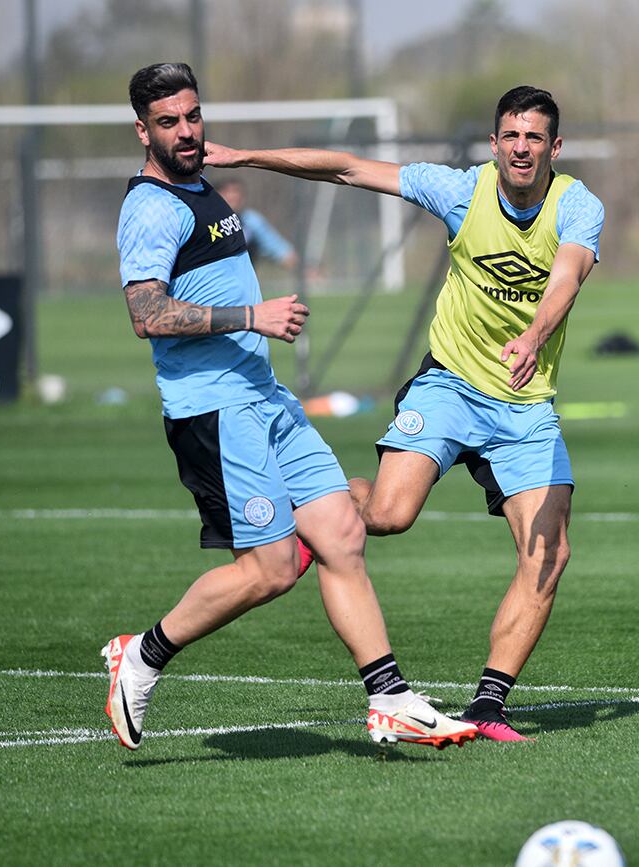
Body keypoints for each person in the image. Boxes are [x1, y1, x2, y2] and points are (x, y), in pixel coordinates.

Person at [204, 85, 605, 741]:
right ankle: (314, 511)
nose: (522, 147)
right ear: (494, 142)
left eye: (535, 137)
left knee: (549, 554)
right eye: (511, 135)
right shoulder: (457, 190)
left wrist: (532, 338)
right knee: (388, 514)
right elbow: (346, 168)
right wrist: (245, 155)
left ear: (554, 147)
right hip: (448, 384)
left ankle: (486, 708)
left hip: (526, 404)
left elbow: (568, 274)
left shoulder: (578, 204)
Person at [106, 62, 476, 751]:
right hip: (214, 410)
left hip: (265, 398)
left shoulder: (201, 185)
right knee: (272, 568)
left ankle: (390, 697)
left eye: (192, 115)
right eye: (168, 122)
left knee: (340, 531)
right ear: (141, 130)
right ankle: (143, 655)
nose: (186, 131)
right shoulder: (151, 207)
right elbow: (145, 312)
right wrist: (254, 314)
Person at [216, 179, 299, 269]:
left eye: (237, 193)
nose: (234, 197)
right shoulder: (206, 221)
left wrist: (302, 269)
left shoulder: (250, 221)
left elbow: (277, 247)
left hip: (242, 278)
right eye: (228, 193)